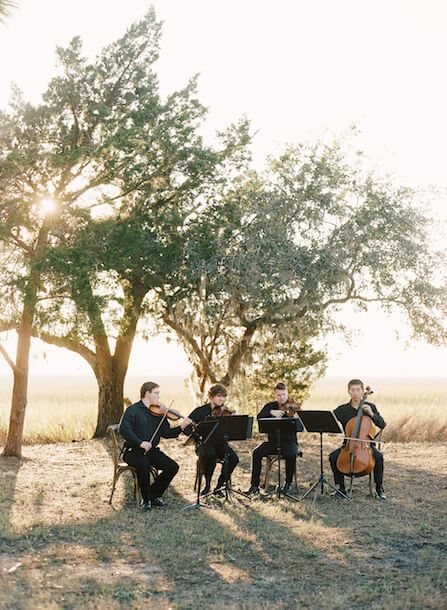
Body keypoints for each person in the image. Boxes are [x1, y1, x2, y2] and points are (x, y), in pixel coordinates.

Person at [119, 381, 192, 510]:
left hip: (151, 451)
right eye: (156, 393)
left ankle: (154, 494)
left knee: (172, 467)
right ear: (147, 393)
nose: (159, 396)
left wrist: (181, 427)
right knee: (143, 465)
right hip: (133, 451)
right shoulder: (133, 410)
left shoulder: (159, 413)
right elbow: (124, 430)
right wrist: (140, 443)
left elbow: (167, 433)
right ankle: (145, 500)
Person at [329, 379, 387, 500]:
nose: (356, 393)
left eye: (358, 390)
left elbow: (382, 424)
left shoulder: (370, 407)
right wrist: (332, 430)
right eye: (353, 390)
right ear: (348, 392)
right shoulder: (342, 409)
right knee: (333, 457)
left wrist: (371, 414)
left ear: (362, 391)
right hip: (348, 445)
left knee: (378, 457)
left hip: (366, 446)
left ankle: (379, 488)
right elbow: (331, 420)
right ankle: (341, 488)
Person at [245, 382, 301, 495]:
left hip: (289, 442)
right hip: (273, 442)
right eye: (278, 395)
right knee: (257, 452)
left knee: (291, 454)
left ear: (287, 393)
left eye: (284, 394)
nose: (281, 398)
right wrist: (271, 412)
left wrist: (296, 418)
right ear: (275, 395)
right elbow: (259, 417)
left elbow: (301, 427)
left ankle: (288, 483)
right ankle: (254, 485)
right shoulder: (270, 406)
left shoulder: (294, 407)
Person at [185, 384, 239, 497]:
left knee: (233, 459)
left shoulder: (226, 412)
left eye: (224, 397)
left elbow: (232, 430)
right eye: (219, 396)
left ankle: (219, 486)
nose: (222, 399)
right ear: (211, 397)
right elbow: (186, 428)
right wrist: (196, 434)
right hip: (204, 444)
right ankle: (207, 485)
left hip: (220, 444)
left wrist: (234, 421)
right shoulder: (200, 411)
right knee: (210, 454)